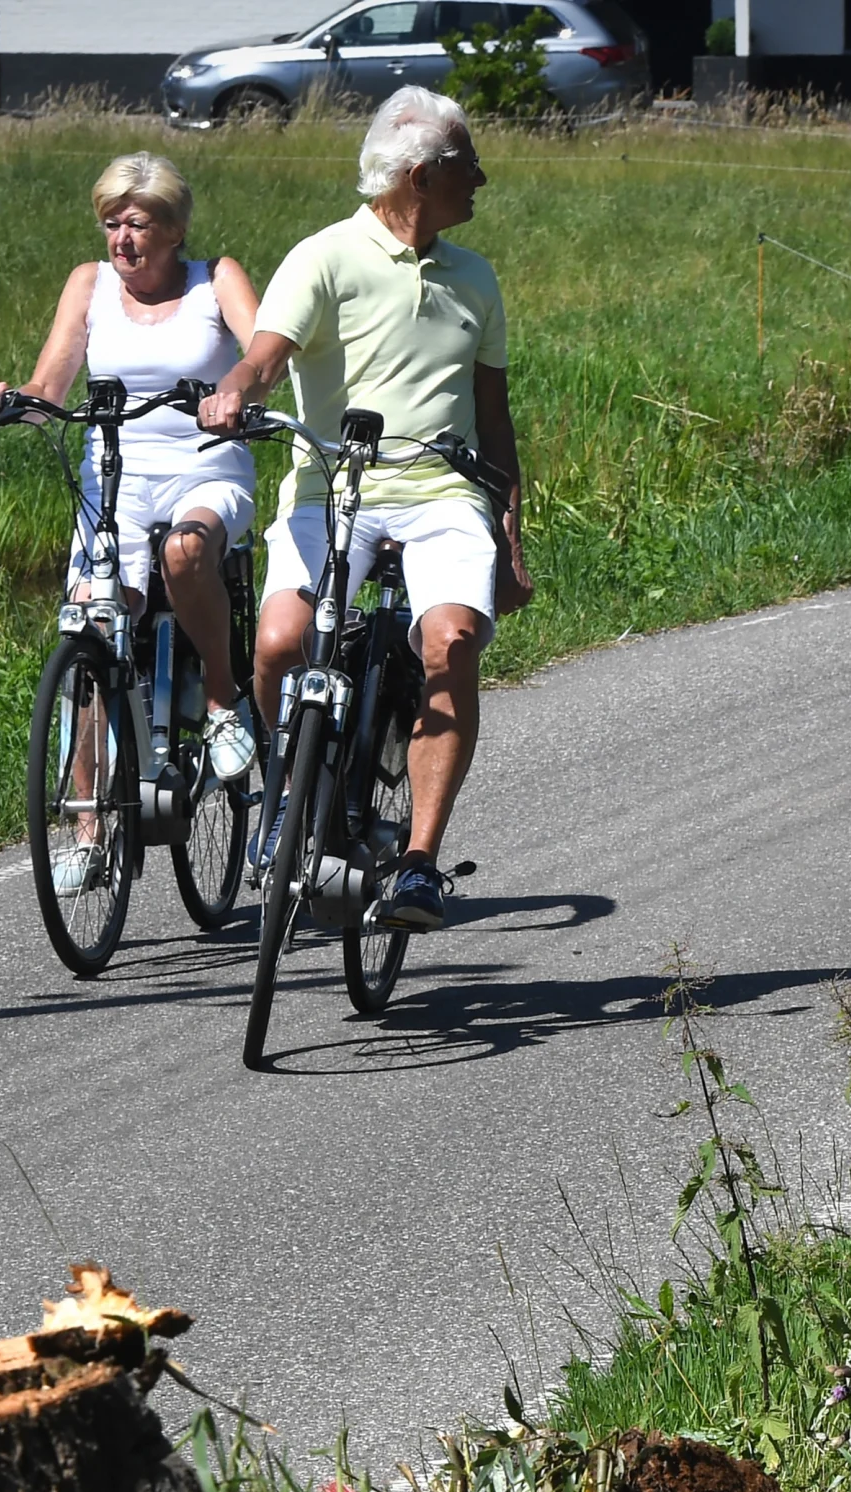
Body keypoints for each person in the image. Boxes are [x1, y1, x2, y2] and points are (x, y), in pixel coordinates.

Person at [198, 87, 531, 935]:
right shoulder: (324, 257)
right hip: (333, 491)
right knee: (278, 642)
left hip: (441, 494)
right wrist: (233, 393)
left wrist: (510, 532)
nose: (482, 180)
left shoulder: (476, 277)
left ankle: (418, 864)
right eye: (467, 165)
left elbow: (493, 419)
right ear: (419, 176)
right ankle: (286, 791)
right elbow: (266, 357)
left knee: (450, 640)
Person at [0, 152, 264, 898]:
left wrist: (237, 388)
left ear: (172, 229)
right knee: (94, 629)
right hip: (115, 479)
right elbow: (53, 381)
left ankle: (223, 702)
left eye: (136, 224)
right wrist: (17, 397)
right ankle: (86, 824)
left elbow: (264, 353)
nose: (121, 240)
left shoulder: (216, 280)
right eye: (111, 224)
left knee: (185, 553)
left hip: (207, 466)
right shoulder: (89, 285)